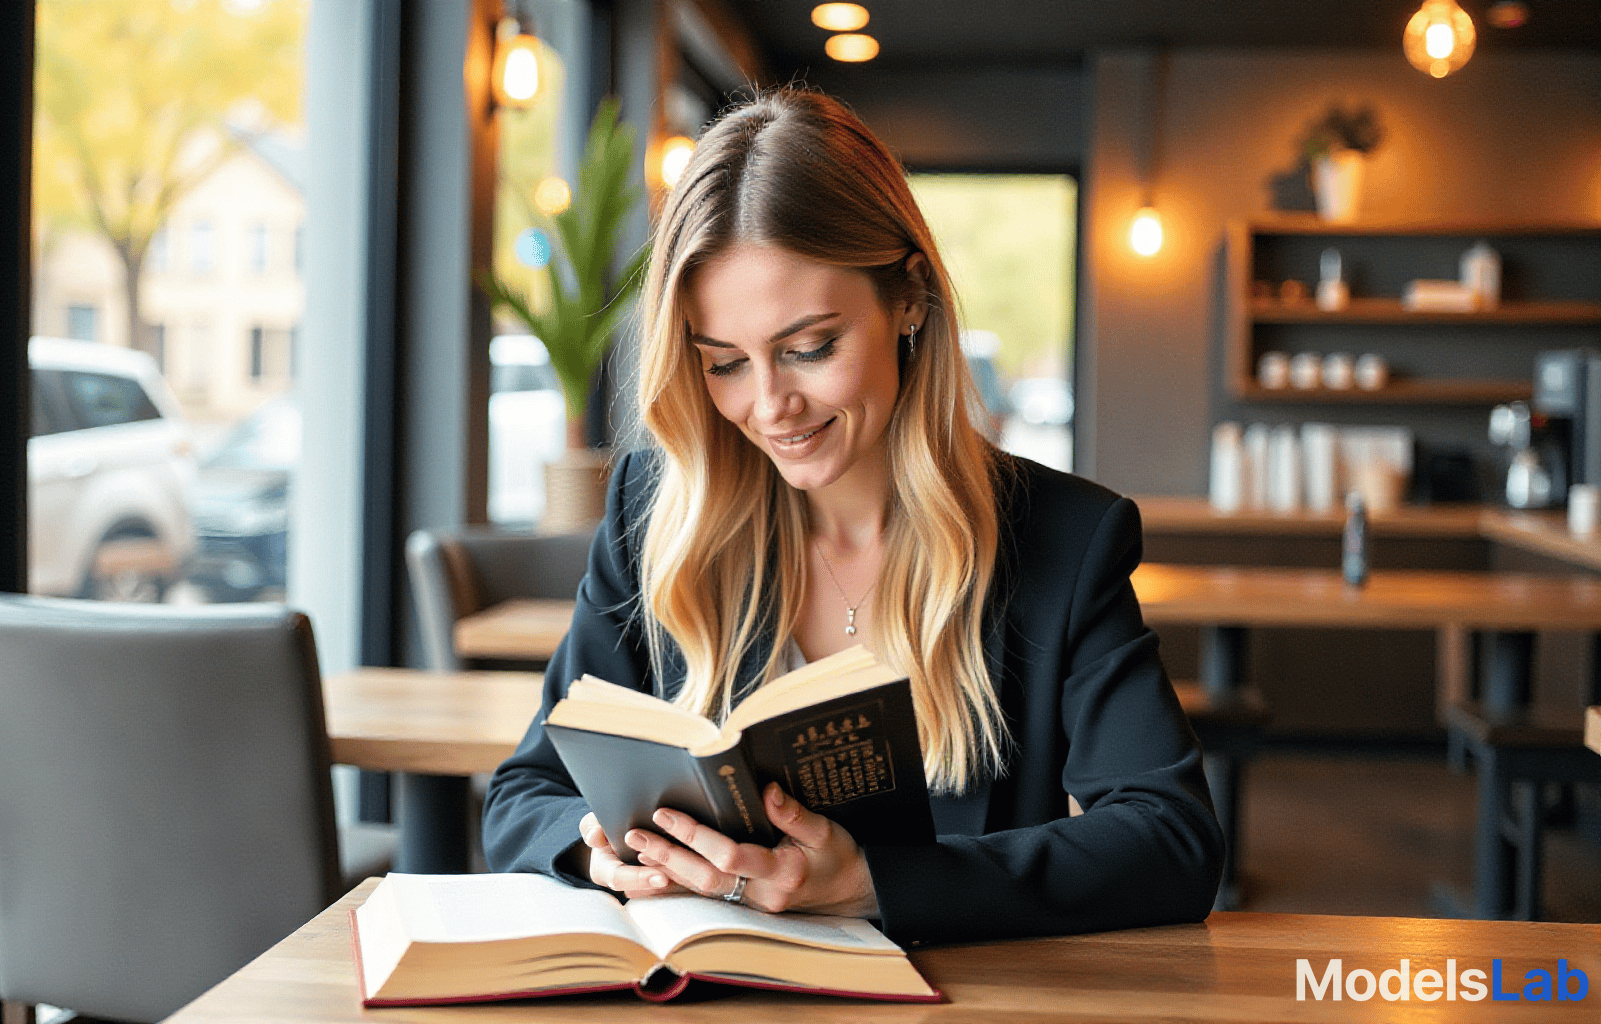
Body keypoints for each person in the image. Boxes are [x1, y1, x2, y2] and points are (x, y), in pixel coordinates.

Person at [482, 87, 1223, 947]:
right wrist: (598, 857)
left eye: (809, 349)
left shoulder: (1061, 540)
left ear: (909, 299)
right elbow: (525, 796)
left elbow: (1172, 839)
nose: (770, 407)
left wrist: (875, 884)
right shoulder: (657, 519)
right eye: (724, 364)